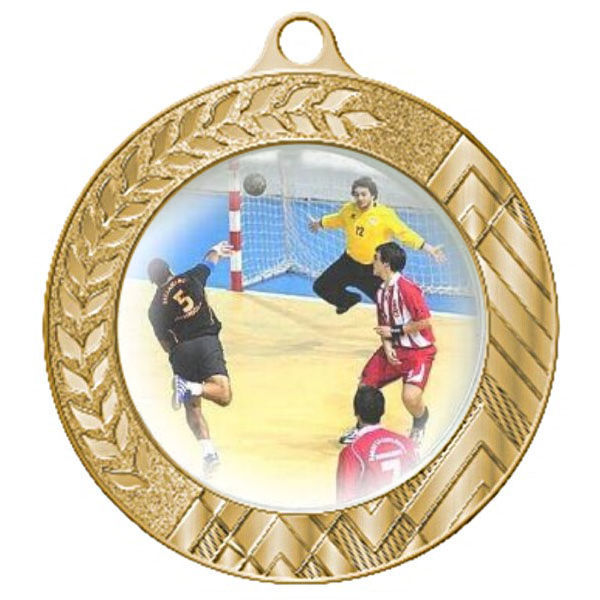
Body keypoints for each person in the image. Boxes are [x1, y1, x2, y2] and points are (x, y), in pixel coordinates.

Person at [147, 241, 233, 475]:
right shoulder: (191, 277)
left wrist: (179, 356)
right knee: (223, 395)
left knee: (193, 407)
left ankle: (209, 454)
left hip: (180, 352)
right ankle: (190, 387)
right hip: (206, 343)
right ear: (170, 269)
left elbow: (165, 345)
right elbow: (210, 262)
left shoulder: (154, 309)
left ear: (153, 282)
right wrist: (216, 249)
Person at [340, 242, 436, 446]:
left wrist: (395, 332)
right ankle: (362, 429)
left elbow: (425, 322)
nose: (372, 262)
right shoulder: (381, 292)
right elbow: (383, 326)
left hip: (419, 352)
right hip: (394, 349)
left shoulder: (407, 289)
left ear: (386, 264)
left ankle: (420, 423)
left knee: (410, 398)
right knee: (365, 387)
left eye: (376, 258)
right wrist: (388, 346)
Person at [309, 176, 445, 314]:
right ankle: (347, 300)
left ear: (373, 195)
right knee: (321, 287)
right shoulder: (348, 210)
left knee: (389, 307)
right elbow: (337, 219)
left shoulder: (385, 214)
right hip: (349, 263)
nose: (360, 198)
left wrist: (428, 248)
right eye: (356, 195)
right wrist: (319, 223)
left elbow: (405, 233)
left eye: (364, 194)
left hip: (374, 270)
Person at [336, 386, 417, 504]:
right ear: (382, 411)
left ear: (356, 413)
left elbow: (345, 501)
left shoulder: (352, 452)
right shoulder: (407, 443)